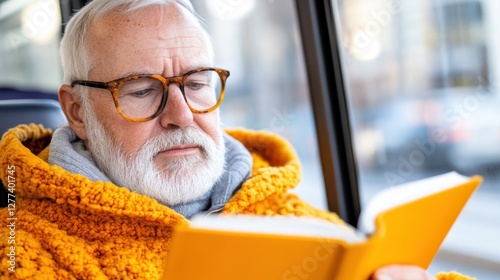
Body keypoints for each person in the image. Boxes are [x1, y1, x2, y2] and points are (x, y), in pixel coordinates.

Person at [0, 0, 472, 279]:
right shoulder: (21, 247)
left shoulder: (278, 208)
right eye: (142, 90)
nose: (181, 115)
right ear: (77, 111)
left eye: (199, 82)